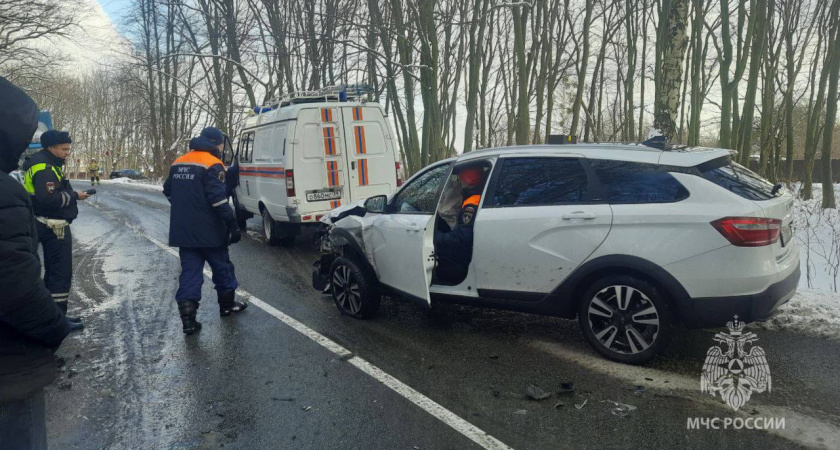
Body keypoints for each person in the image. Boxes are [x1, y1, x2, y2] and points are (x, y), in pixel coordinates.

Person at [0, 76, 71, 450]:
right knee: (58, 277)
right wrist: (54, 327)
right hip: (11, 367)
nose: (67, 152)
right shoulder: (31, 173)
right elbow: (14, 285)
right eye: (63, 146)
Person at [163, 127, 247, 335]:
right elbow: (218, 200)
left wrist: (186, 208)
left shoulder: (178, 162)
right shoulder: (212, 163)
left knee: (190, 273)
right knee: (222, 268)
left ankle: (188, 321)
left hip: (184, 232)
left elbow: (168, 191)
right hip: (210, 231)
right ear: (216, 143)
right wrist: (232, 224)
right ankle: (227, 306)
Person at [21, 130, 89, 331]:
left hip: (43, 223)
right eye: (64, 149)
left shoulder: (43, 162)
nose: (68, 153)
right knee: (59, 273)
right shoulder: (45, 168)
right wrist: (74, 195)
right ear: (51, 147)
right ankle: (58, 321)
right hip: (52, 225)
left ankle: (54, 318)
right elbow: (49, 199)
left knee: (52, 274)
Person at [433, 166, 486, 284]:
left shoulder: (471, 205)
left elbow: (460, 239)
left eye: (460, 179)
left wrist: (434, 237)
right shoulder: (475, 197)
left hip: (462, 260)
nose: (458, 182)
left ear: (467, 181)